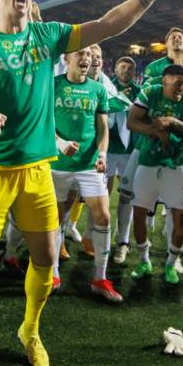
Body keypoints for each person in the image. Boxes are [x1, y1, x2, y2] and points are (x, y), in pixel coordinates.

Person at [0, 0, 179, 366]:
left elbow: (108, 24)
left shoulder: (48, 36)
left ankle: (29, 330)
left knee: (46, 258)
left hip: (37, 172)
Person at [49, 46, 121, 301]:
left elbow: (103, 128)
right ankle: (53, 274)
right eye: (80, 54)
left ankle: (100, 278)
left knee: (102, 218)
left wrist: (102, 156)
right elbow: (43, 122)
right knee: (55, 221)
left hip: (90, 165)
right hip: (58, 165)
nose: (85, 58)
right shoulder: (52, 84)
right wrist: (60, 144)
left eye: (89, 56)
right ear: (66, 58)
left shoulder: (98, 89)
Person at [127, 65, 183, 284]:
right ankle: (143, 260)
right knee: (139, 212)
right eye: (178, 82)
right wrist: (155, 131)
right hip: (148, 160)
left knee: (179, 215)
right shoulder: (150, 92)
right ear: (165, 81)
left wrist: (173, 122)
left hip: (176, 162)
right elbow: (132, 121)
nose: (182, 87)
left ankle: (171, 264)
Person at [106, 56, 140, 264]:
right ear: (116, 68)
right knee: (102, 194)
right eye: (123, 66)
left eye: (130, 68)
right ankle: (96, 236)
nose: (126, 70)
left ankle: (123, 241)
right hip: (107, 149)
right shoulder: (105, 85)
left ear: (134, 73)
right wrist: (118, 98)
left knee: (127, 195)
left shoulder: (140, 92)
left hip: (130, 150)